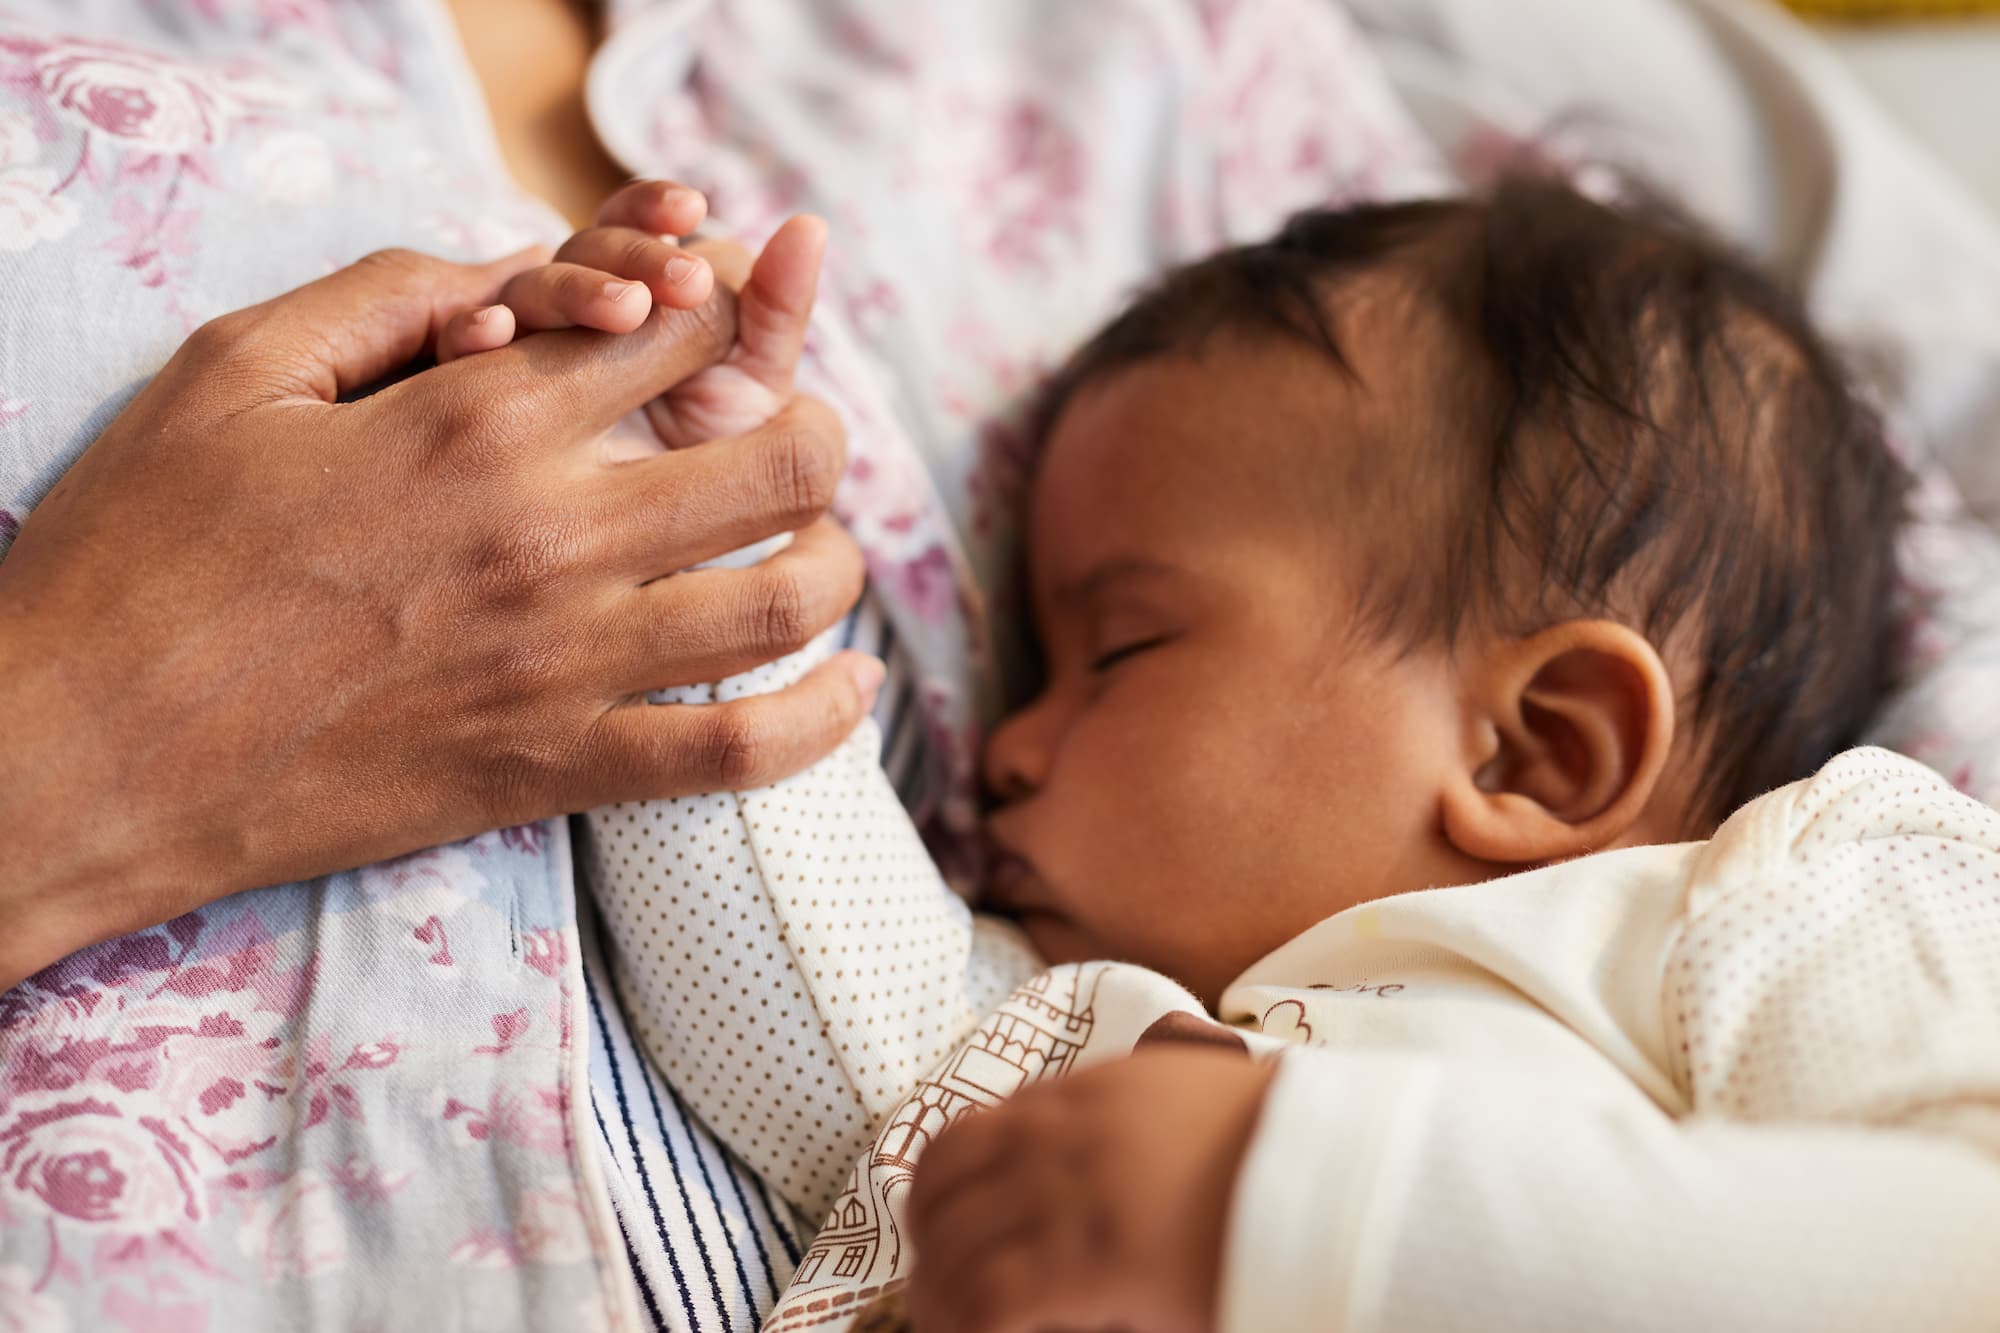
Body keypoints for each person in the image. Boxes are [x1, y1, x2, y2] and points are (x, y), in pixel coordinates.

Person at [468, 177, 2000, 1331]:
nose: (1003, 748)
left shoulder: (1790, 903)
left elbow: (1956, 1247)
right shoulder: (1100, 1039)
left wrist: (1283, 1203)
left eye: (1121, 649)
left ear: (1540, 746)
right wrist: (687, 519)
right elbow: (801, 1003)